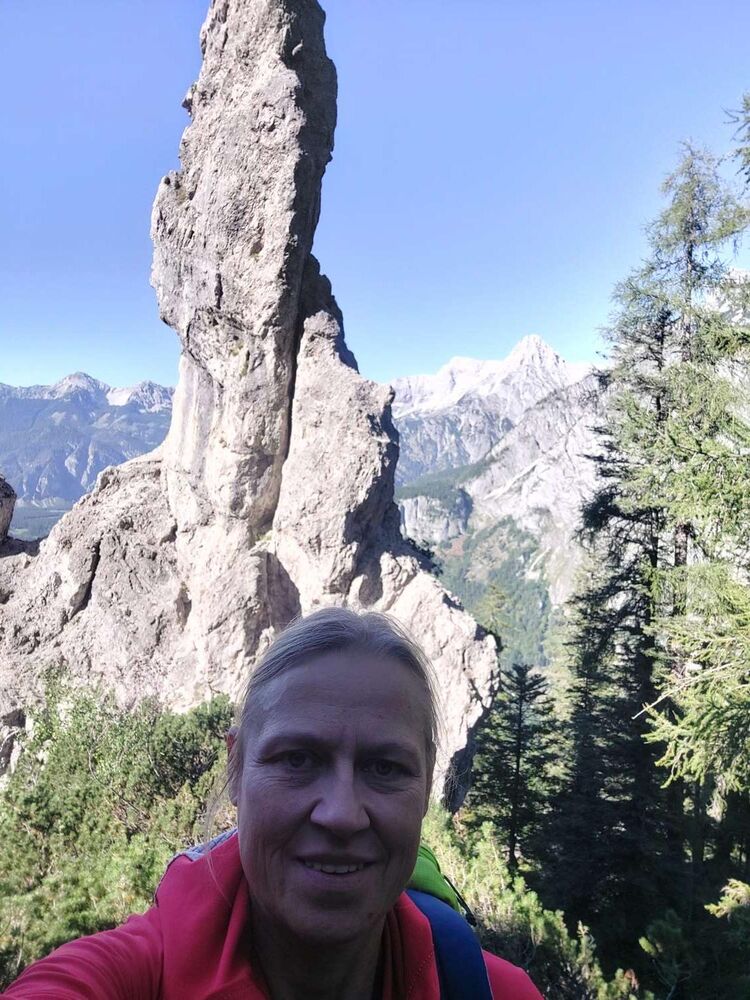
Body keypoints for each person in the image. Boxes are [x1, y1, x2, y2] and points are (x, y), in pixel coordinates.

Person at [4, 607, 542, 999]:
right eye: (297, 759)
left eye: (385, 768)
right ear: (236, 770)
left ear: (426, 789)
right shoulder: (134, 976)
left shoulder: (495, 992)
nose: (340, 814)